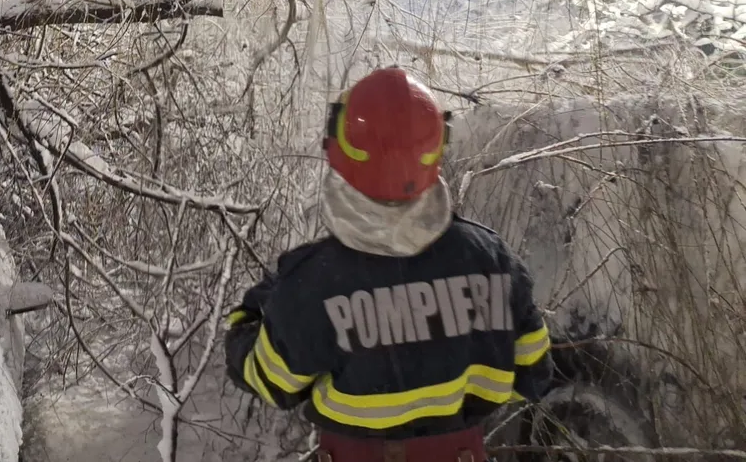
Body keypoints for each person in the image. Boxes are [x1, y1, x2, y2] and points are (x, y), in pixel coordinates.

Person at [224, 66, 553, 462]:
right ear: (435, 149)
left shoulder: (313, 281)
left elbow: (269, 381)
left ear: (341, 150)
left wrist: (250, 317)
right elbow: (534, 374)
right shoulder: (492, 260)